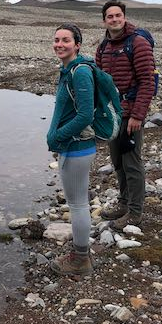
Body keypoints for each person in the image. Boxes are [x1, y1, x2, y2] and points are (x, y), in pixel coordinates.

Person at [96, 0, 155, 229]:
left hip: (131, 116)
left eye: (118, 15)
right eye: (110, 16)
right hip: (112, 116)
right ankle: (123, 202)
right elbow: (100, 83)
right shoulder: (103, 47)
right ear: (104, 20)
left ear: (124, 17)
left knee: (132, 163)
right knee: (118, 162)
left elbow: (147, 82)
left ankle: (135, 212)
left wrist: (138, 116)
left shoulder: (138, 44)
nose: (114, 19)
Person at [46, 23, 96, 276]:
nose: (59, 44)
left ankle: (80, 259)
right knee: (78, 202)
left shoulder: (80, 73)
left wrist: (57, 137)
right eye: (56, 39)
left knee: (77, 204)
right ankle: (80, 252)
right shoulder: (68, 70)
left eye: (66, 40)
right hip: (74, 146)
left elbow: (86, 114)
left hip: (77, 147)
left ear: (77, 44)